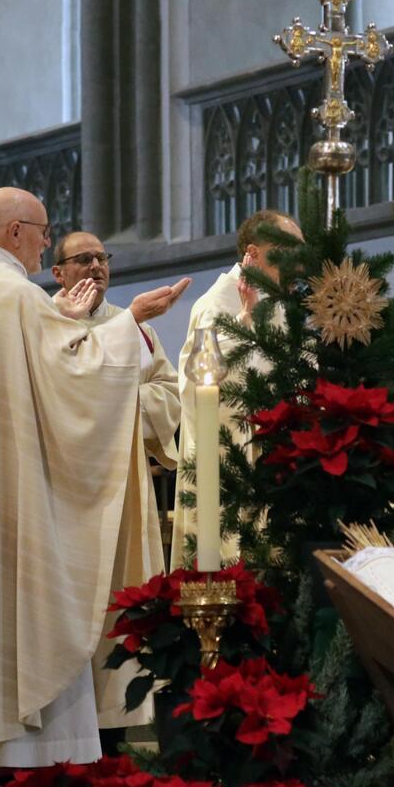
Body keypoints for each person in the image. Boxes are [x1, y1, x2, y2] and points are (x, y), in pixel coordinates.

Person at [0, 187, 189, 768]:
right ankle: (15, 767)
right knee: (16, 612)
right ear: (16, 232)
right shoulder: (16, 296)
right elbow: (73, 376)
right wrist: (126, 323)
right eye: (42, 231)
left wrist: (73, 325)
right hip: (17, 488)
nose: (44, 241)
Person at [50, 231, 183, 738]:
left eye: (102, 258)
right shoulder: (45, 321)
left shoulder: (140, 331)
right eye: (83, 259)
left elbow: (169, 394)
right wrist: (115, 394)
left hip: (126, 494)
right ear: (57, 272)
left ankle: (115, 730)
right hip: (65, 496)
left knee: (120, 609)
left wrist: (118, 403)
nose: (96, 267)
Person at [173, 209, 303, 568]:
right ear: (254, 253)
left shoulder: (280, 305)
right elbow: (203, 387)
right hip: (229, 466)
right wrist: (248, 326)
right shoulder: (215, 305)